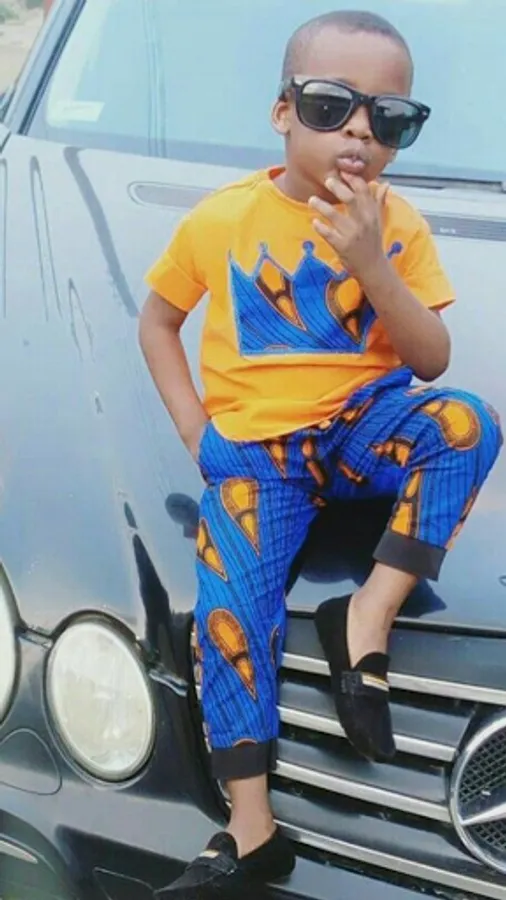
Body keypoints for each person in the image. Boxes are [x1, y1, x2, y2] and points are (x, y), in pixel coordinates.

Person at [139, 9, 502, 897]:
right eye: (332, 106)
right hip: (258, 456)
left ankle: (366, 617)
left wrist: (372, 260)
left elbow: (430, 360)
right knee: (230, 614)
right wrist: (194, 429)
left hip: (359, 430)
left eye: (390, 118)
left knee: (469, 424)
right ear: (282, 112)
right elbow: (158, 321)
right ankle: (252, 829)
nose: (359, 133)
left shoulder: (398, 225)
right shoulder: (224, 219)